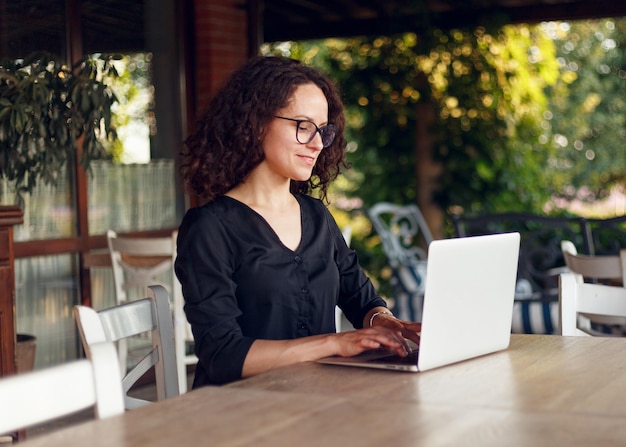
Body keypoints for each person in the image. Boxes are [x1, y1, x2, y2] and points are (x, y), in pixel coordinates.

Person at [175, 55, 422, 387]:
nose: (318, 143)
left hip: (316, 397)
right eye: (303, 127)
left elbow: (360, 299)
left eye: (323, 130)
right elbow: (223, 355)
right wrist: (335, 343)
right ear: (256, 122)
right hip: (237, 412)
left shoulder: (317, 216)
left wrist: (387, 322)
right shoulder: (209, 228)